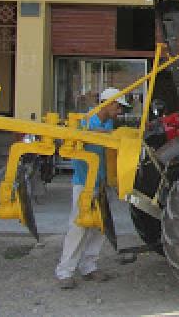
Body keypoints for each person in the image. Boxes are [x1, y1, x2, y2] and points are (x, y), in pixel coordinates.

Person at [56, 87, 128, 289]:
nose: (120, 112)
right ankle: (65, 271)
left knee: (99, 226)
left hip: (103, 183)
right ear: (109, 103)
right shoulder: (85, 121)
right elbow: (73, 138)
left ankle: (89, 265)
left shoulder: (109, 123)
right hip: (84, 183)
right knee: (78, 226)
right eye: (118, 107)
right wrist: (103, 134)